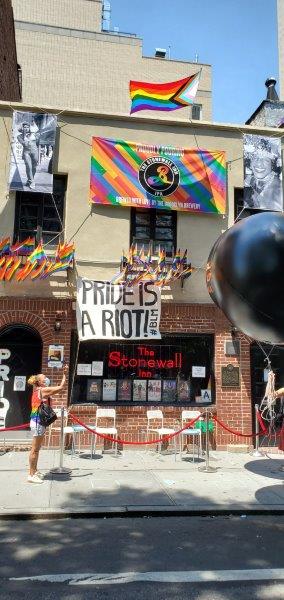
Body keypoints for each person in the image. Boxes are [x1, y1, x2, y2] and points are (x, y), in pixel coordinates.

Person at [27, 365, 68, 484]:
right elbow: (61, 387)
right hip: (38, 422)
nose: (46, 379)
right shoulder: (42, 390)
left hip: (38, 422)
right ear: (39, 382)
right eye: (44, 378)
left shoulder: (37, 390)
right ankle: (31, 474)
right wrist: (64, 373)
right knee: (35, 450)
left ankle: (34, 471)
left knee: (37, 449)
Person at [244, 138, 282, 211]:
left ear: (272, 165)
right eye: (255, 158)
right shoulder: (247, 181)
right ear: (250, 162)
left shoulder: (279, 190)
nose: (259, 164)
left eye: (266, 160)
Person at [17, 121, 39, 190]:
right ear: (22, 128)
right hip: (26, 152)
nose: (26, 128)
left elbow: (38, 142)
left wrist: (33, 134)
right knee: (29, 167)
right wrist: (24, 135)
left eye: (27, 127)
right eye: (24, 127)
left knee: (34, 167)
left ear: (30, 128)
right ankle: (32, 182)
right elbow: (24, 144)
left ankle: (29, 180)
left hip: (35, 151)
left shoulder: (34, 134)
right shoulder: (19, 136)